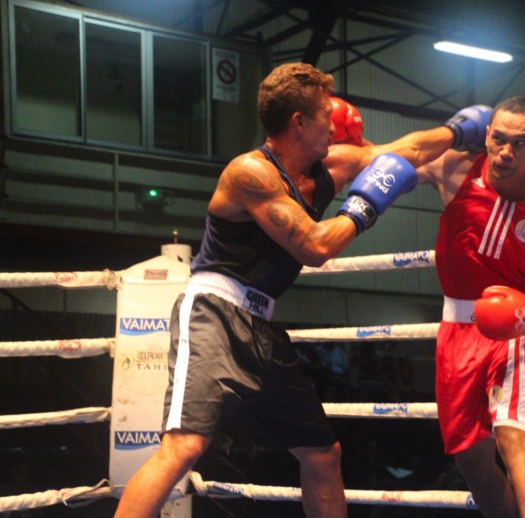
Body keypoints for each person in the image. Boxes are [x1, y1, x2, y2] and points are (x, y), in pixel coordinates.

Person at [113, 62, 490, 518]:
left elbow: (403, 151)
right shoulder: (250, 173)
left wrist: (458, 131)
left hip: (262, 327)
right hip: (214, 311)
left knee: (322, 453)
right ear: (299, 122)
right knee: (184, 447)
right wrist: (364, 205)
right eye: (325, 117)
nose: (334, 126)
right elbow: (314, 247)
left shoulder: (329, 165)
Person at [416, 96, 525, 518]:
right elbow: (391, 161)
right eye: (499, 139)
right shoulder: (455, 170)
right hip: (456, 329)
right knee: (470, 459)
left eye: (520, 143)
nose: (506, 152)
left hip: (516, 332)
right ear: (486, 135)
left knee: (514, 438)